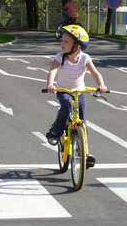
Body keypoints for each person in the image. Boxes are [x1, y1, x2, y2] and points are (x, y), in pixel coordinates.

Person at [45, 24, 107, 167]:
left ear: (77, 46)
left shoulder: (85, 58)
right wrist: (51, 84)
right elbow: (53, 71)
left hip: (79, 92)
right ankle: (55, 132)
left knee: (82, 122)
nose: (62, 44)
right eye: (62, 41)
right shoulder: (60, 57)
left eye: (66, 41)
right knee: (66, 107)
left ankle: (84, 152)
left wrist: (101, 86)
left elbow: (96, 74)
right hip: (63, 91)